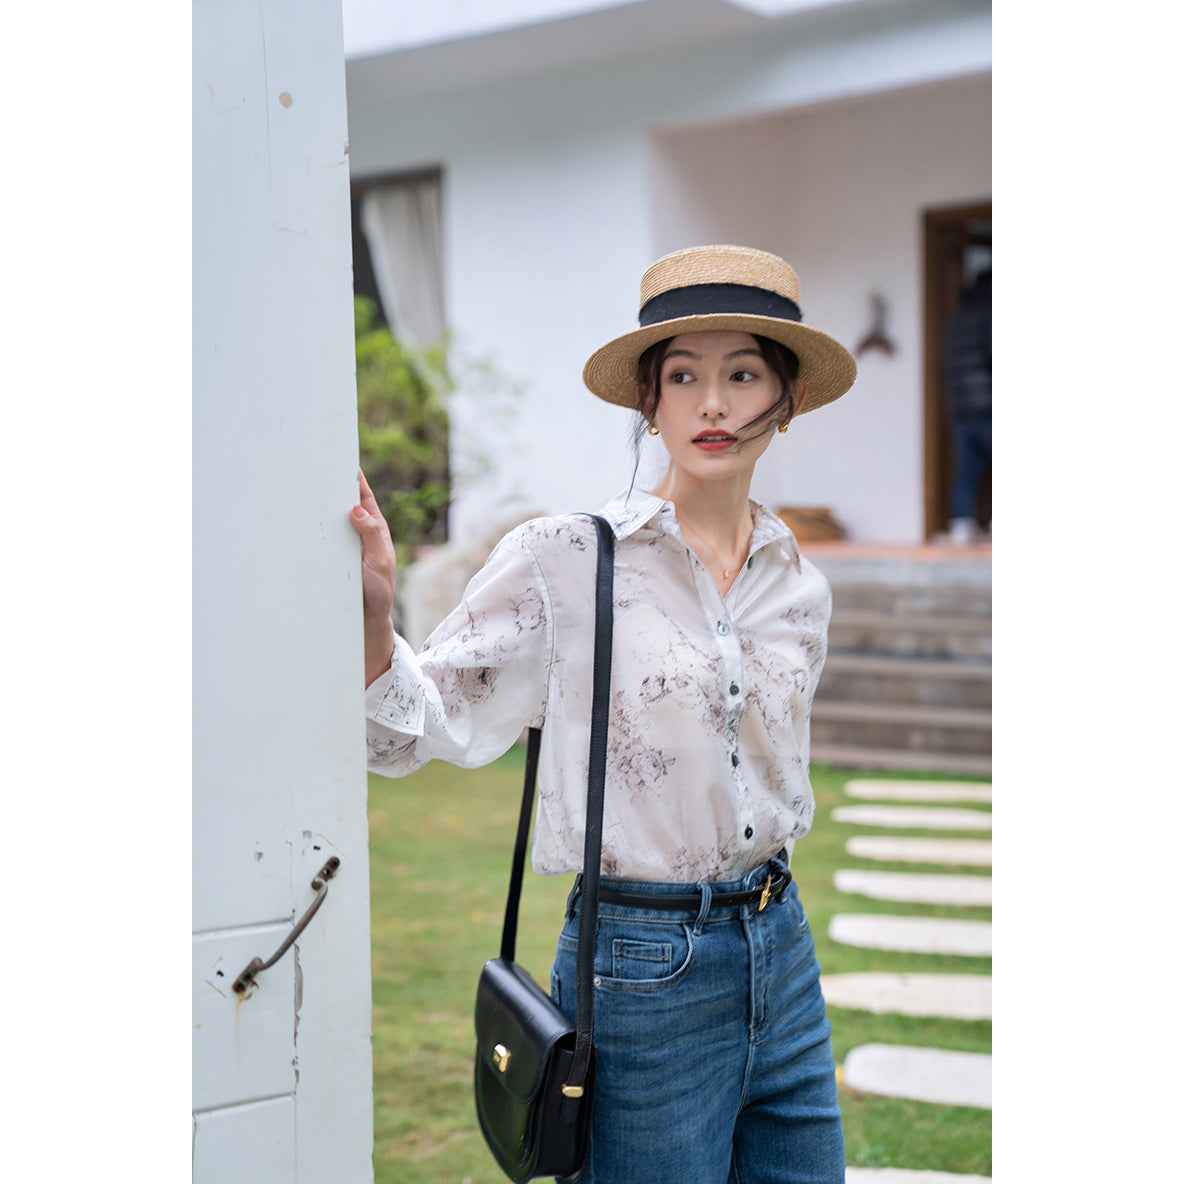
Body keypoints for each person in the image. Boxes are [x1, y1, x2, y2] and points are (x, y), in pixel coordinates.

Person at [350, 244, 857, 1184]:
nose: (712, 404)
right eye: (683, 376)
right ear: (650, 404)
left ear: (782, 404)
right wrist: (377, 615)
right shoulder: (567, 559)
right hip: (640, 965)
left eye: (743, 374)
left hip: (781, 945)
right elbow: (409, 732)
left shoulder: (799, 585)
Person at [940, 268, 992, 543]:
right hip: (989, 404)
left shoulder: (955, 321)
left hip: (960, 407)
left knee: (967, 469)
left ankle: (961, 524)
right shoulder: (990, 315)